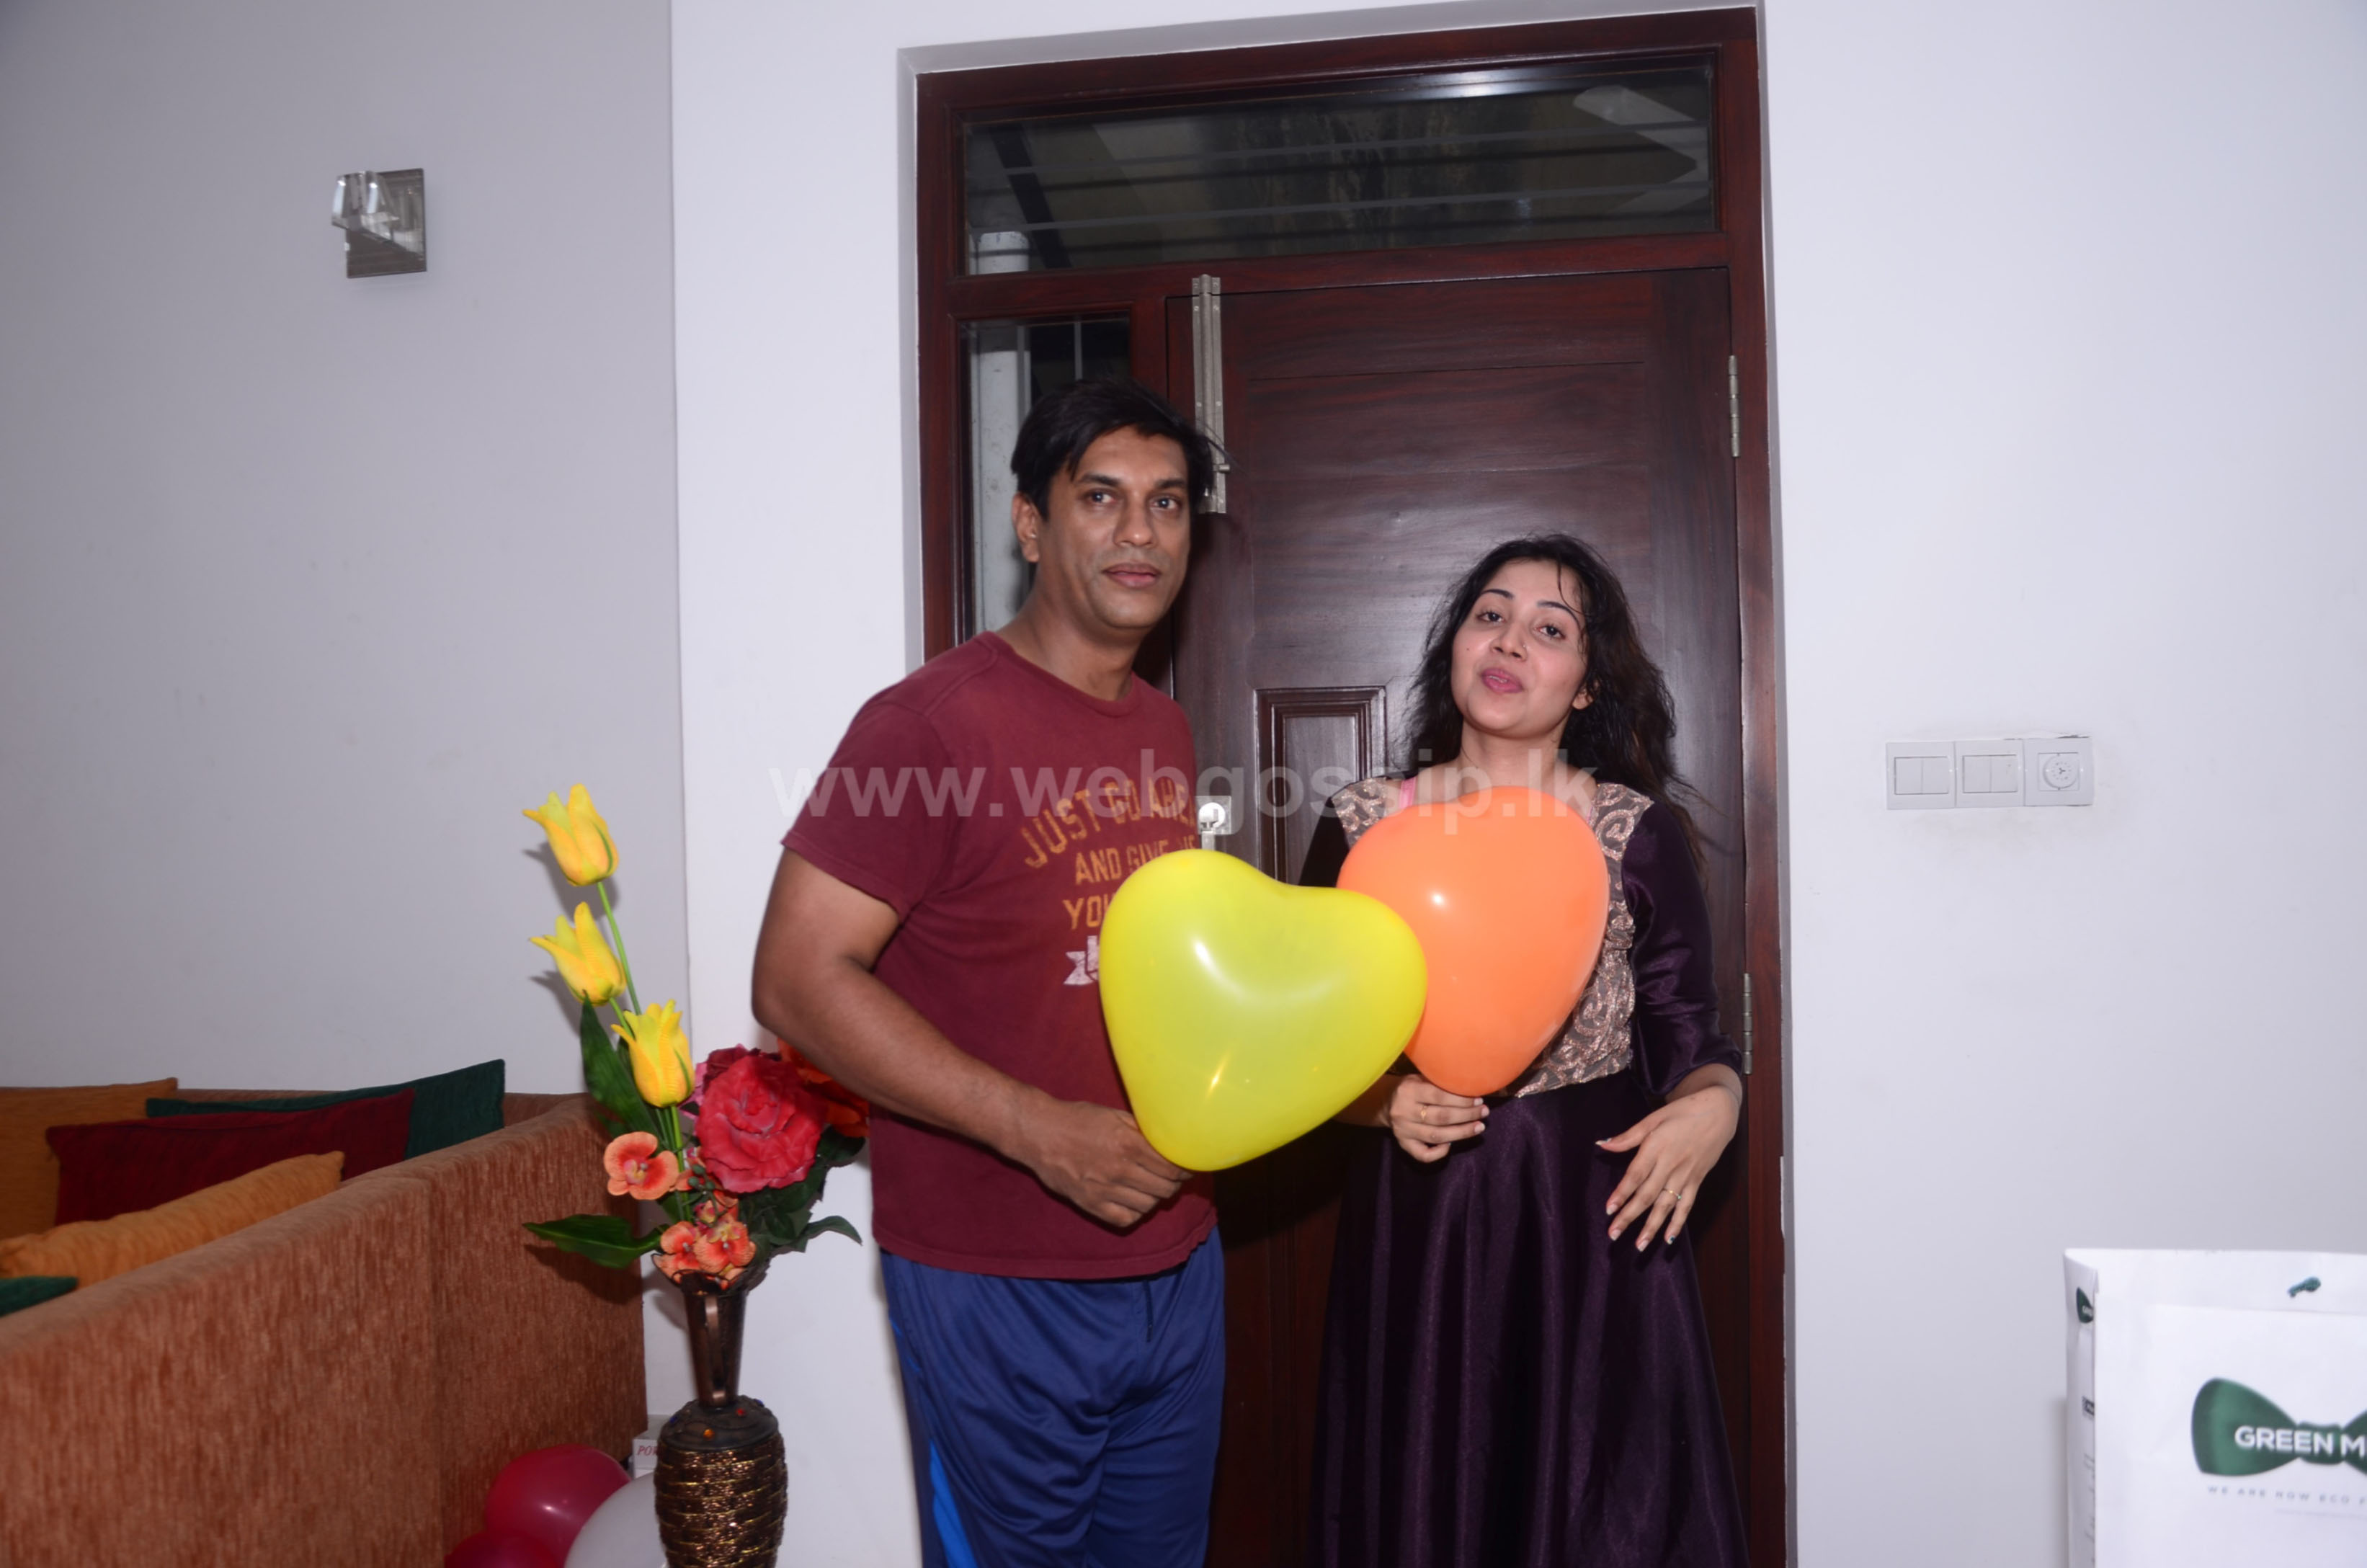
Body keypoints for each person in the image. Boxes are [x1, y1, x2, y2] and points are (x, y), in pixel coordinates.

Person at [752, 378, 1223, 1568]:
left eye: (1168, 503)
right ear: (1030, 526)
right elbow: (797, 980)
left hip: (1175, 1255)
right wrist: (1031, 1127)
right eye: (1100, 498)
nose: (1139, 531)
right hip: (999, 1272)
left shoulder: (1162, 729)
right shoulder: (926, 726)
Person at [1303, 534, 1749, 1568]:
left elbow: (1690, 1033)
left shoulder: (1633, 833)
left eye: (1550, 630)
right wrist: (1378, 1102)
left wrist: (1718, 1102)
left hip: (1592, 1234)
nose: (1509, 642)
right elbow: (1308, 1045)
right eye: (1489, 615)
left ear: (1587, 685)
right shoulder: (1363, 826)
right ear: (1455, 645)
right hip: (1421, 1230)